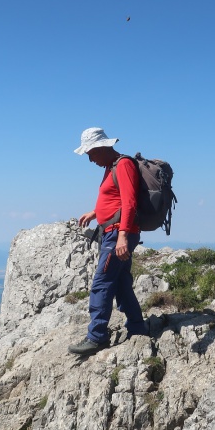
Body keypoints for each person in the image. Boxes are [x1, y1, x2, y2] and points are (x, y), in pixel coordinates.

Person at [69, 127, 149, 356]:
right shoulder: (111, 167)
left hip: (117, 234)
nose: (90, 159)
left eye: (91, 154)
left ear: (101, 147)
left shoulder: (123, 165)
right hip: (114, 232)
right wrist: (96, 213)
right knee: (121, 283)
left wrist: (122, 236)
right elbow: (116, 200)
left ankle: (97, 337)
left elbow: (129, 202)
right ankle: (137, 327)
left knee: (101, 283)